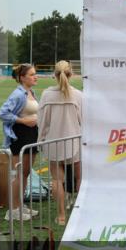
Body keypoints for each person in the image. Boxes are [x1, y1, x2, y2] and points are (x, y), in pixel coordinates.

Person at [38, 60, 83, 226]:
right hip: (74, 141)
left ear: (54, 75)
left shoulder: (46, 94)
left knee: (57, 180)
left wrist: (40, 140)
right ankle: (80, 211)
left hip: (53, 142)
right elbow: (83, 120)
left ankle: (62, 215)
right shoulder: (78, 95)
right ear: (70, 74)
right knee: (80, 178)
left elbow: (42, 121)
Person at [0, 64, 39, 221]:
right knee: (19, 174)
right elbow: (2, 113)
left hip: (32, 135)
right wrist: (22, 120)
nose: (35, 77)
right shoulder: (17, 94)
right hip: (20, 136)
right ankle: (13, 210)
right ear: (22, 77)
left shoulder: (31, 92)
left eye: (35, 74)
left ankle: (20, 206)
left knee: (26, 173)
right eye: (32, 74)